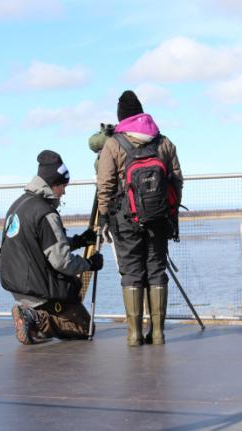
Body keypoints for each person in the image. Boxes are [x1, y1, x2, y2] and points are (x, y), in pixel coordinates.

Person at [97, 90, 183, 346]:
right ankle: (157, 333)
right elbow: (176, 179)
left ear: (121, 117)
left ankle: (134, 335)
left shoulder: (113, 144)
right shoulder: (163, 141)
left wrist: (104, 216)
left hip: (125, 219)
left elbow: (106, 184)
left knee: (132, 271)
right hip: (159, 217)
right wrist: (172, 211)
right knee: (156, 269)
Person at [0, 150, 103, 345]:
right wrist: (89, 263)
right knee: (85, 327)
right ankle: (36, 318)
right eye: (63, 185)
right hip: (38, 290)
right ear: (53, 184)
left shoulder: (17, 206)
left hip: (19, 286)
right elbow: (62, 261)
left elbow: (41, 245)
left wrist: (79, 241)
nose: (64, 191)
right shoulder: (46, 213)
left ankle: (33, 324)